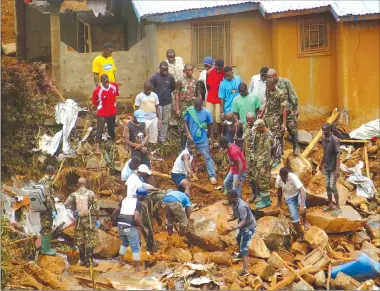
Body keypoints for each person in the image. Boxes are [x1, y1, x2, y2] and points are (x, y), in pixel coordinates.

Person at [65, 178, 100, 267]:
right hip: (89, 219)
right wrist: (97, 218)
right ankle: (89, 261)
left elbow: (66, 204)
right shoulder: (90, 193)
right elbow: (96, 208)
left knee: (80, 239)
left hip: (80, 219)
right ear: (85, 184)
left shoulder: (74, 194)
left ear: (78, 184)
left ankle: (83, 260)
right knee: (90, 239)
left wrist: (74, 209)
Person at [112, 187, 148, 270]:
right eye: (145, 197)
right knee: (135, 246)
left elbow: (116, 211)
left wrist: (112, 220)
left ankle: (120, 263)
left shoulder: (125, 199)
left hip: (120, 224)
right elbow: (136, 218)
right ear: (142, 197)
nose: (145, 198)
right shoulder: (138, 203)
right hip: (128, 225)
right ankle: (137, 268)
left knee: (124, 242)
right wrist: (144, 228)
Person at [184, 98, 217, 185]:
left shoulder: (206, 112)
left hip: (203, 140)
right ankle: (187, 175)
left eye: (199, 107)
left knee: (207, 158)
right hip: (191, 141)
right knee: (188, 158)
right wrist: (188, 133)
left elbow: (210, 125)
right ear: (193, 105)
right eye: (196, 107)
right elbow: (185, 122)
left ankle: (212, 176)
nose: (198, 108)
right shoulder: (190, 111)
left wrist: (211, 137)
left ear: (203, 104)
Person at [267, 69, 300, 155]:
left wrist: (294, 111)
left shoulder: (285, 82)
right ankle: (280, 149)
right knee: (279, 132)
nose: (268, 79)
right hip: (277, 114)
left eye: (270, 77)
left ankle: (296, 147)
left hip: (289, 112)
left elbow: (294, 98)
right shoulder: (270, 84)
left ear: (275, 76)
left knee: (292, 129)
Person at [226, 189, 256, 277]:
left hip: (249, 227)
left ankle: (246, 270)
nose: (228, 199)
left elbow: (244, 220)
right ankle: (240, 254)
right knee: (238, 238)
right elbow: (235, 215)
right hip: (243, 226)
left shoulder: (241, 206)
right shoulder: (233, 203)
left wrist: (235, 227)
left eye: (229, 198)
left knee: (244, 247)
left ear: (234, 198)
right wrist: (227, 220)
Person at [260, 78, 287, 167]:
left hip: (275, 119)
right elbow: (266, 102)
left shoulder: (280, 93)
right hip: (267, 117)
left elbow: (284, 109)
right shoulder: (267, 90)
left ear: (273, 85)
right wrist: (262, 113)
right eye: (266, 87)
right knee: (267, 136)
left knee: (276, 138)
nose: (267, 89)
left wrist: (284, 123)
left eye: (268, 87)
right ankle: (270, 155)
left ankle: (277, 158)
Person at [275, 168, 308, 240]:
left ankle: (305, 221)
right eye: (283, 177)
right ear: (280, 175)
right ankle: (300, 234)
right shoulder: (278, 180)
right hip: (289, 197)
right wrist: (279, 202)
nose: (285, 178)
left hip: (298, 193)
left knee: (302, 207)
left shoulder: (292, 177)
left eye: (286, 176)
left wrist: (302, 205)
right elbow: (279, 191)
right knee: (294, 216)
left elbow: (302, 191)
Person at [175, 64, 202, 149]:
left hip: (193, 105)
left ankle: (194, 146)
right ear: (185, 71)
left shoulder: (196, 81)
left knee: (194, 125)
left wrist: (200, 105)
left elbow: (199, 94)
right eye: (188, 70)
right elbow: (177, 95)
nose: (190, 72)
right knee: (183, 127)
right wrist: (177, 108)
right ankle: (183, 148)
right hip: (183, 106)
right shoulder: (180, 81)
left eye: (191, 70)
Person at [149, 62, 176, 143]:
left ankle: (162, 138)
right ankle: (155, 138)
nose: (165, 72)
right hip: (157, 103)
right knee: (157, 120)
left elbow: (172, 88)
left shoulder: (170, 77)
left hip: (167, 102)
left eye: (166, 70)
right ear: (159, 68)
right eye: (163, 70)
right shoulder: (154, 77)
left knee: (165, 120)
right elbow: (150, 88)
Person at [250, 119, 274, 209]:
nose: (255, 130)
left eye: (257, 128)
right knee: (257, 179)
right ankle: (265, 198)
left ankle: (266, 201)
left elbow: (267, 153)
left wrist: (261, 165)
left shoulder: (268, 136)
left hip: (264, 163)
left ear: (261, 127)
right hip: (258, 161)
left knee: (263, 180)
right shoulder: (259, 133)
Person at [92, 74, 119, 153]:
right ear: (101, 81)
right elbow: (95, 102)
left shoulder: (114, 86)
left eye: (107, 81)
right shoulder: (97, 91)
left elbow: (116, 95)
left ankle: (113, 144)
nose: (107, 84)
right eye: (105, 82)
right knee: (99, 129)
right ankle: (97, 146)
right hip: (102, 113)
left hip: (112, 112)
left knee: (111, 129)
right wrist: (100, 107)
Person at [319, 122, 341, 215]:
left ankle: (338, 205)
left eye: (325, 131)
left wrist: (337, 169)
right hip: (326, 167)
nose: (323, 132)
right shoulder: (324, 140)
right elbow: (325, 153)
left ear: (330, 130)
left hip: (333, 168)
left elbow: (338, 155)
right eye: (322, 130)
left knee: (332, 186)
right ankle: (330, 204)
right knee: (327, 186)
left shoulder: (335, 140)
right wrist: (321, 164)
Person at [220, 136, 247, 201]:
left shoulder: (233, 151)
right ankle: (232, 199)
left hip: (240, 171)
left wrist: (238, 178)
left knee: (236, 187)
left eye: (221, 146)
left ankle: (238, 202)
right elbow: (233, 161)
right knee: (226, 183)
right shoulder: (230, 146)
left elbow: (240, 164)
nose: (221, 147)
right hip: (234, 169)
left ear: (224, 145)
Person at [135, 82, 161, 146]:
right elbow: (136, 108)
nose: (149, 91)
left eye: (150, 90)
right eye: (147, 90)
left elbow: (157, 107)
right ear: (144, 88)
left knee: (153, 137)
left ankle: (151, 152)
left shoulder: (154, 95)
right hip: (144, 119)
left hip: (153, 119)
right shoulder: (139, 96)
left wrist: (159, 119)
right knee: (143, 136)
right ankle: (143, 149)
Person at [38, 165, 57, 256]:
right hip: (47, 209)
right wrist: (52, 210)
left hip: (41, 207)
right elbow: (48, 197)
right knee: (47, 227)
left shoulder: (40, 181)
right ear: (52, 173)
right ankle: (45, 249)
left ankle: (44, 248)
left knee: (43, 227)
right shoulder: (47, 181)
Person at [206, 59, 224, 139]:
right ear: (215, 66)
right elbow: (207, 85)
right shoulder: (210, 72)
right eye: (217, 68)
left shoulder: (224, 73)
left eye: (220, 68)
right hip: (210, 97)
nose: (219, 70)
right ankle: (210, 135)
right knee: (208, 117)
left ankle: (219, 135)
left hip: (218, 99)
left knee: (218, 118)